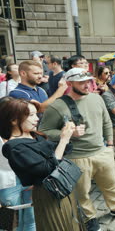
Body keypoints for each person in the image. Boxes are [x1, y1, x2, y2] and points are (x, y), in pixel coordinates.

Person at [39, 68, 115, 231]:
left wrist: (110, 145)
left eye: (88, 81)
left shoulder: (96, 99)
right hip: (76, 157)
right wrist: (67, 133)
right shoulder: (57, 106)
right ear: (69, 83)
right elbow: (44, 130)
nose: (87, 85)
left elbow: (106, 122)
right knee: (82, 193)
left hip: (102, 152)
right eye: (81, 82)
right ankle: (89, 217)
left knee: (110, 184)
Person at [1, 97, 82, 230]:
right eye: (31, 115)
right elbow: (48, 169)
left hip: (52, 186)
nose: (37, 119)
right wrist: (63, 140)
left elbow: (57, 152)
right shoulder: (13, 146)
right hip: (24, 188)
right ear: (13, 120)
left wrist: (66, 136)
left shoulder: (33, 135)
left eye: (36, 114)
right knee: (11, 223)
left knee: (33, 220)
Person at [0, 97, 35, 231]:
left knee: (31, 219)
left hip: (28, 182)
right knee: (8, 225)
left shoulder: (27, 131)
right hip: (6, 186)